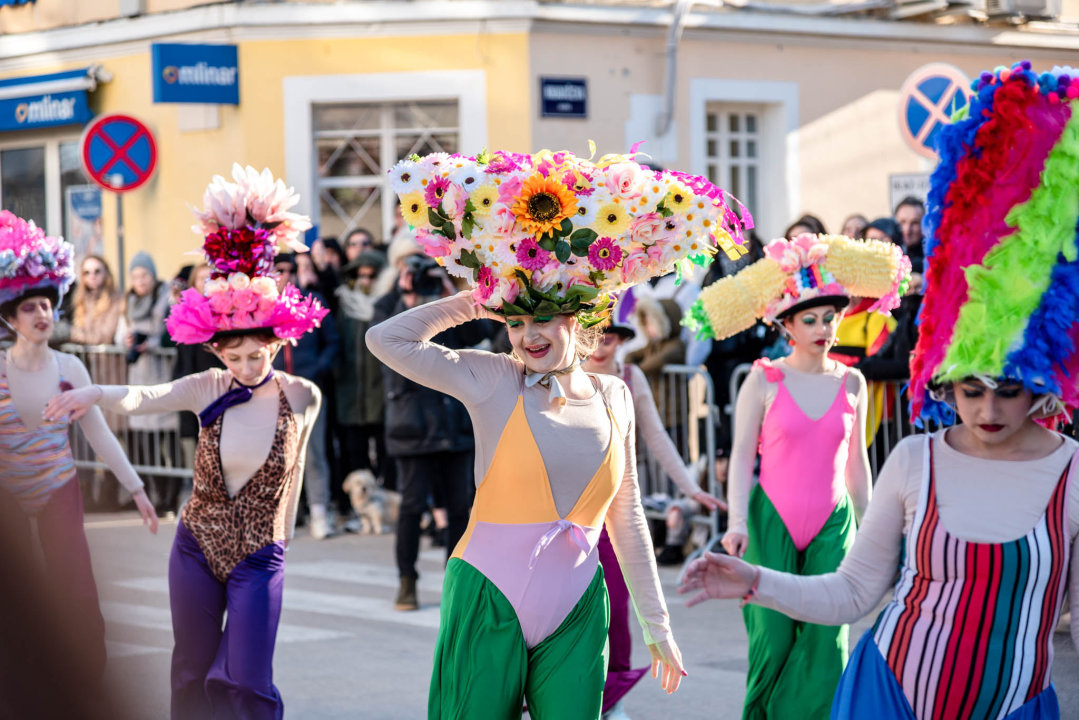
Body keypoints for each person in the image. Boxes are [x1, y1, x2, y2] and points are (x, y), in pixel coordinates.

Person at [681, 62, 1079, 720]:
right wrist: (752, 578)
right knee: (780, 663)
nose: (984, 409)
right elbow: (853, 594)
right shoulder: (915, 460)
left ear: (1040, 388)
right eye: (967, 388)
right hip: (885, 697)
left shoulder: (1069, 473)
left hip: (1014, 708)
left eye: (1006, 390)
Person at [370, 147, 756, 717]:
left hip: (578, 605)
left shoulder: (615, 394)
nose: (528, 334)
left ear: (579, 319)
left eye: (544, 317)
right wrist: (476, 300)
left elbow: (626, 518)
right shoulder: (492, 379)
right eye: (517, 320)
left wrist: (658, 624)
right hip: (486, 595)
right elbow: (386, 340)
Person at [47, 164, 325, 720]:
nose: (248, 366)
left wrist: (284, 540)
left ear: (275, 341)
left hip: (260, 555)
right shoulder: (206, 387)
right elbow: (145, 397)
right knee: (190, 674)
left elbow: (293, 475)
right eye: (235, 356)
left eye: (258, 354)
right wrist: (94, 391)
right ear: (217, 352)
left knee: (247, 679)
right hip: (196, 546)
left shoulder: (303, 396)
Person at [687, 232, 910, 719]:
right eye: (809, 319)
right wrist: (737, 525)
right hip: (771, 523)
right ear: (786, 325)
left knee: (828, 645)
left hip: (835, 524)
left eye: (830, 317)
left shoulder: (853, 381)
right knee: (772, 642)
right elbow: (742, 457)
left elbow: (857, 465)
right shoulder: (762, 378)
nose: (822, 327)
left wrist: (873, 533)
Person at [0, 211, 157, 688]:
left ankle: (87, 683)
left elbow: (98, 433)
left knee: (76, 592)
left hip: (58, 490)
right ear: (8, 315)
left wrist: (137, 488)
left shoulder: (70, 365)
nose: (43, 314)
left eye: (48, 304)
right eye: (30, 307)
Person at [584, 320, 725, 719]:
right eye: (592, 335)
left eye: (608, 338)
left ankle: (611, 699)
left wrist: (690, 488)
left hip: (613, 512)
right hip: (565, 514)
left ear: (622, 341)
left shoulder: (630, 377)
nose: (600, 345)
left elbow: (656, 435)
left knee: (617, 606)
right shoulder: (561, 372)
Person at [374, 252, 490, 611]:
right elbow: (385, 350)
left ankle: (453, 582)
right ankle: (406, 581)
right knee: (411, 505)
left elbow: (482, 333)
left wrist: (450, 300)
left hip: (454, 419)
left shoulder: (449, 305)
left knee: (459, 507)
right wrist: (408, 303)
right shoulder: (387, 305)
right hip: (413, 422)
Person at [273, 253, 340, 540]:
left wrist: (319, 368)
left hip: (308, 388)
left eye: (291, 270)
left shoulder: (312, 301)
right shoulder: (262, 307)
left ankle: (319, 513)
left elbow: (332, 341)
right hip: (273, 392)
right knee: (277, 456)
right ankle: (281, 516)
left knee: (313, 454)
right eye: (280, 270)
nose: (287, 275)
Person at [119, 251, 180, 514]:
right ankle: (158, 495)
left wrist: (151, 343)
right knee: (148, 446)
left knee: (170, 443)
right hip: (139, 381)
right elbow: (119, 335)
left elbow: (173, 332)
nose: (140, 280)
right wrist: (127, 342)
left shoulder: (166, 298)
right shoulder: (128, 302)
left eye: (145, 274)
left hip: (164, 378)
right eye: (135, 275)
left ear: (153, 276)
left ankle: (172, 497)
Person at [335, 250, 391, 488]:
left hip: (381, 392)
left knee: (386, 452)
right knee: (355, 453)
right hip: (351, 393)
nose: (366, 281)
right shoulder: (344, 304)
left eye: (372, 276)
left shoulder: (388, 304)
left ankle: (388, 503)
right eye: (361, 276)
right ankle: (360, 510)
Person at [70, 254, 124, 345]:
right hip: (86, 357)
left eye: (97, 271)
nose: (92, 276)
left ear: (106, 272)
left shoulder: (116, 299)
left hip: (107, 358)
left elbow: (106, 337)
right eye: (87, 273)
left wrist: (77, 335)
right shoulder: (81, 300)